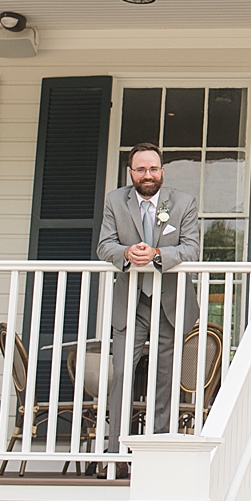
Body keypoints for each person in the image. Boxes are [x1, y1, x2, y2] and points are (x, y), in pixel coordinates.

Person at [96, 143, 201, 469]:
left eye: (153, 169)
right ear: (131, 173)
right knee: (122, 374)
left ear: (162, 171)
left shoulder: (182, 202)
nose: (147, 175)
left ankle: (156, 458)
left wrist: (157, 255)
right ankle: (116, 456)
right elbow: (104, 246)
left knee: (165, 378)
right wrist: (127, 254)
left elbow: (192, 249)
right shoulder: (116, 200)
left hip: (170, 302)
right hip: (131, 301)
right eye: (140, 169)